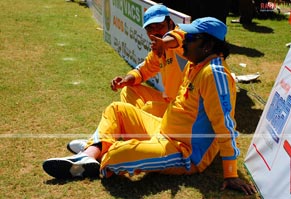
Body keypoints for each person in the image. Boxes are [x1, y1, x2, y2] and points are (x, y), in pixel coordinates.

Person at [43, 17, 257, 195]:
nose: (183, 43)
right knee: (116, 109)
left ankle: (97, 155)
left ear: (207, 45)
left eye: (190, 38)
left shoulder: (214, 73)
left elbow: (225, 125)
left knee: (116, 157)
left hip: (184, 151)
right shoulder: (197, 60)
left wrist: (230, 173)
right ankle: (89, 155)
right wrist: (169, 39)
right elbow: (174, 40)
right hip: (164, 129)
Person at [67, 4, 187, 154]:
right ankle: (124, 134)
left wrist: (164, 42)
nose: (155, 32)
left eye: (160, 26)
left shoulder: (184, 39)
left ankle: (97, 145)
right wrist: (126, 79)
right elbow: (143, 70)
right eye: (150, 29)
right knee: (128, 89)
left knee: (142, 109)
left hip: (183, 112)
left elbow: (179, 37)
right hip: (171, 103)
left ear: (170, 22)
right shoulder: (158, 48)